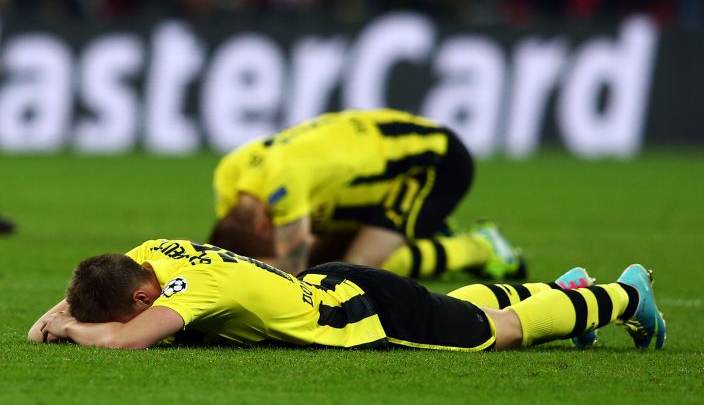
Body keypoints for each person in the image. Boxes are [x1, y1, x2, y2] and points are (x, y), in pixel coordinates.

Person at [29, 238, 666, 351]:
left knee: (495, 333)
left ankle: (626, 296)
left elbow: (123, 338)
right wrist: (65, 318)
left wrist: (72, 329)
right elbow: (65, 316)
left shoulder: (189, 291)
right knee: (470, 310)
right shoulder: (149, 253)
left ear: (143, 298)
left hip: (360, 312)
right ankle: (565, 294)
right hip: (335, 284)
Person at [209, 108, 525, 280]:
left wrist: (229, 275)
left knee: (355, 273)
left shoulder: (285, 183)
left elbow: (292, 270)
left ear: (265, 226)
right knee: (323, 260)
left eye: (273, 240)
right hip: (372, 176)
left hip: (434, 163)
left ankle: (481, 248)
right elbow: (234, 242)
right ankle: (425, 233)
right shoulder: (228, 177)